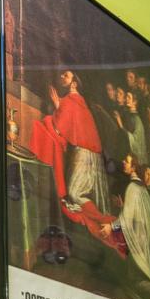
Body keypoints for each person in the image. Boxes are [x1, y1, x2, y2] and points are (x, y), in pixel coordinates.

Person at [47, 70, 108, 214]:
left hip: (85, 153)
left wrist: (57, 106)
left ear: (74, 84)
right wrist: (58, 105)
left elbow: (60, 126)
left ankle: (100, 218)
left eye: (66, 76)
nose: (62, 76)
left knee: (74, 193)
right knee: (75, 193)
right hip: (84, 151)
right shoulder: (74, 99)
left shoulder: (73, 99)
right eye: (62, 74)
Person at [116, 153, 150, 293]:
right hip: (143, 236)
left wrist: (110, 226)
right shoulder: (140, 188)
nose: (123, 162)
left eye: (126, 161)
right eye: (148, 175)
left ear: (133, 168)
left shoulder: (133, 187)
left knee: (135, 278)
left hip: (139, 237)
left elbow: (127, 217)